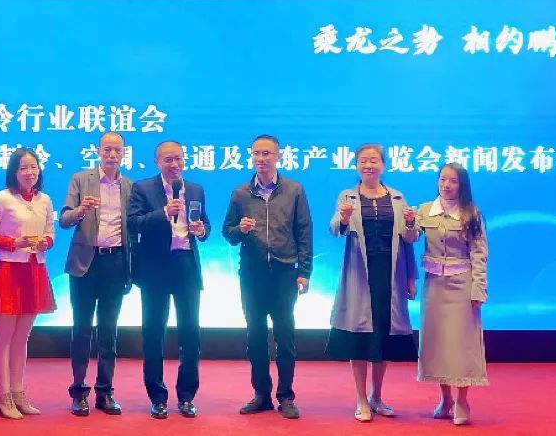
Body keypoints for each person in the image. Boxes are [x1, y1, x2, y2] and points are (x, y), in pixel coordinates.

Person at [325, 143, 419, 422]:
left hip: (391, 275)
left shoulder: (397, 197)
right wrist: (343, 218)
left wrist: (411, 224)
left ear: (383, 165)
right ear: (356, 166)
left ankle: (377, 396)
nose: (368, 165)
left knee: (384, 336)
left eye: (374, 160)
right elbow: (335, 229)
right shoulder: (347, 195)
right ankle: (361, 398)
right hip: (359, 275)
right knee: (359, 336)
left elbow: (410, 239)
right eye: (363, 161)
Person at [222, 134, 312, 419]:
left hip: (285, 273)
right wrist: (241, 230)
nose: (261, 159)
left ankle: (286, 396)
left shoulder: (294, 190)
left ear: (278, 156)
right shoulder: (240, 193)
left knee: (285, 336)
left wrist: (304, 272)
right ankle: (261, 394)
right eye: (256, 154)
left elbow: (304, 232)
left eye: (267, 154)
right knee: (256, 336)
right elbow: (228, 233)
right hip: (252, 275)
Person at [127, 140, 210, 420]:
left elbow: (206, 224)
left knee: (190, 333)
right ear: (157, 162)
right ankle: (157, 397)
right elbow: (133, 223)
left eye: (179, 159)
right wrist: (163, 213)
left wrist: (201, 230)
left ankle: (186, 397)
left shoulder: (195, 189)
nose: (175, 165)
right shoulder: (143, 188)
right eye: (168, 160)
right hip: (155, 268)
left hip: (186, 265)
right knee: (153, 333)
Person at [0, 147, 57, 419]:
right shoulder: (1, 198)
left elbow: (50, 231)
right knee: (4, 338)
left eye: (33, 167)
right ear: (13, 171)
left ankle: (19, 392)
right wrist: (14, 243)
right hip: (9, 271)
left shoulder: (44, 199)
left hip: (35, 269)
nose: (29, 172)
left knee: (22, 338)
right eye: (23, 168)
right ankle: (4, 396)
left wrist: (46, 242)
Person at [59, 132, 133, 416]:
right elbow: (64, 220)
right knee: (82, 329)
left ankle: (105, 391)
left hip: (116, 263)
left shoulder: (129, 186)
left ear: (123, 154)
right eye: (107, 150)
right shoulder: (81, 179)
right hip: (85, 264)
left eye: (117, 150)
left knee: (108, 330)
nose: (112, 155)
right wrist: (80, 210)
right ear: (99, 151)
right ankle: (79, 391)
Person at [415, 163, 489, 426]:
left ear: (462, 185)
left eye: (453, 181)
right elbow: (409, 237)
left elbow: (479, 253)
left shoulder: (471, 213)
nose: (446, 185)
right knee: (438, 343)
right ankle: (445, 399)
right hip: (434, 285)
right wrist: (410, 223)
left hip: (462, 285)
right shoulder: (425, 210)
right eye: (442, 180)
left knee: (461, 343)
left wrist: (478, 288)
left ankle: (462, 400)